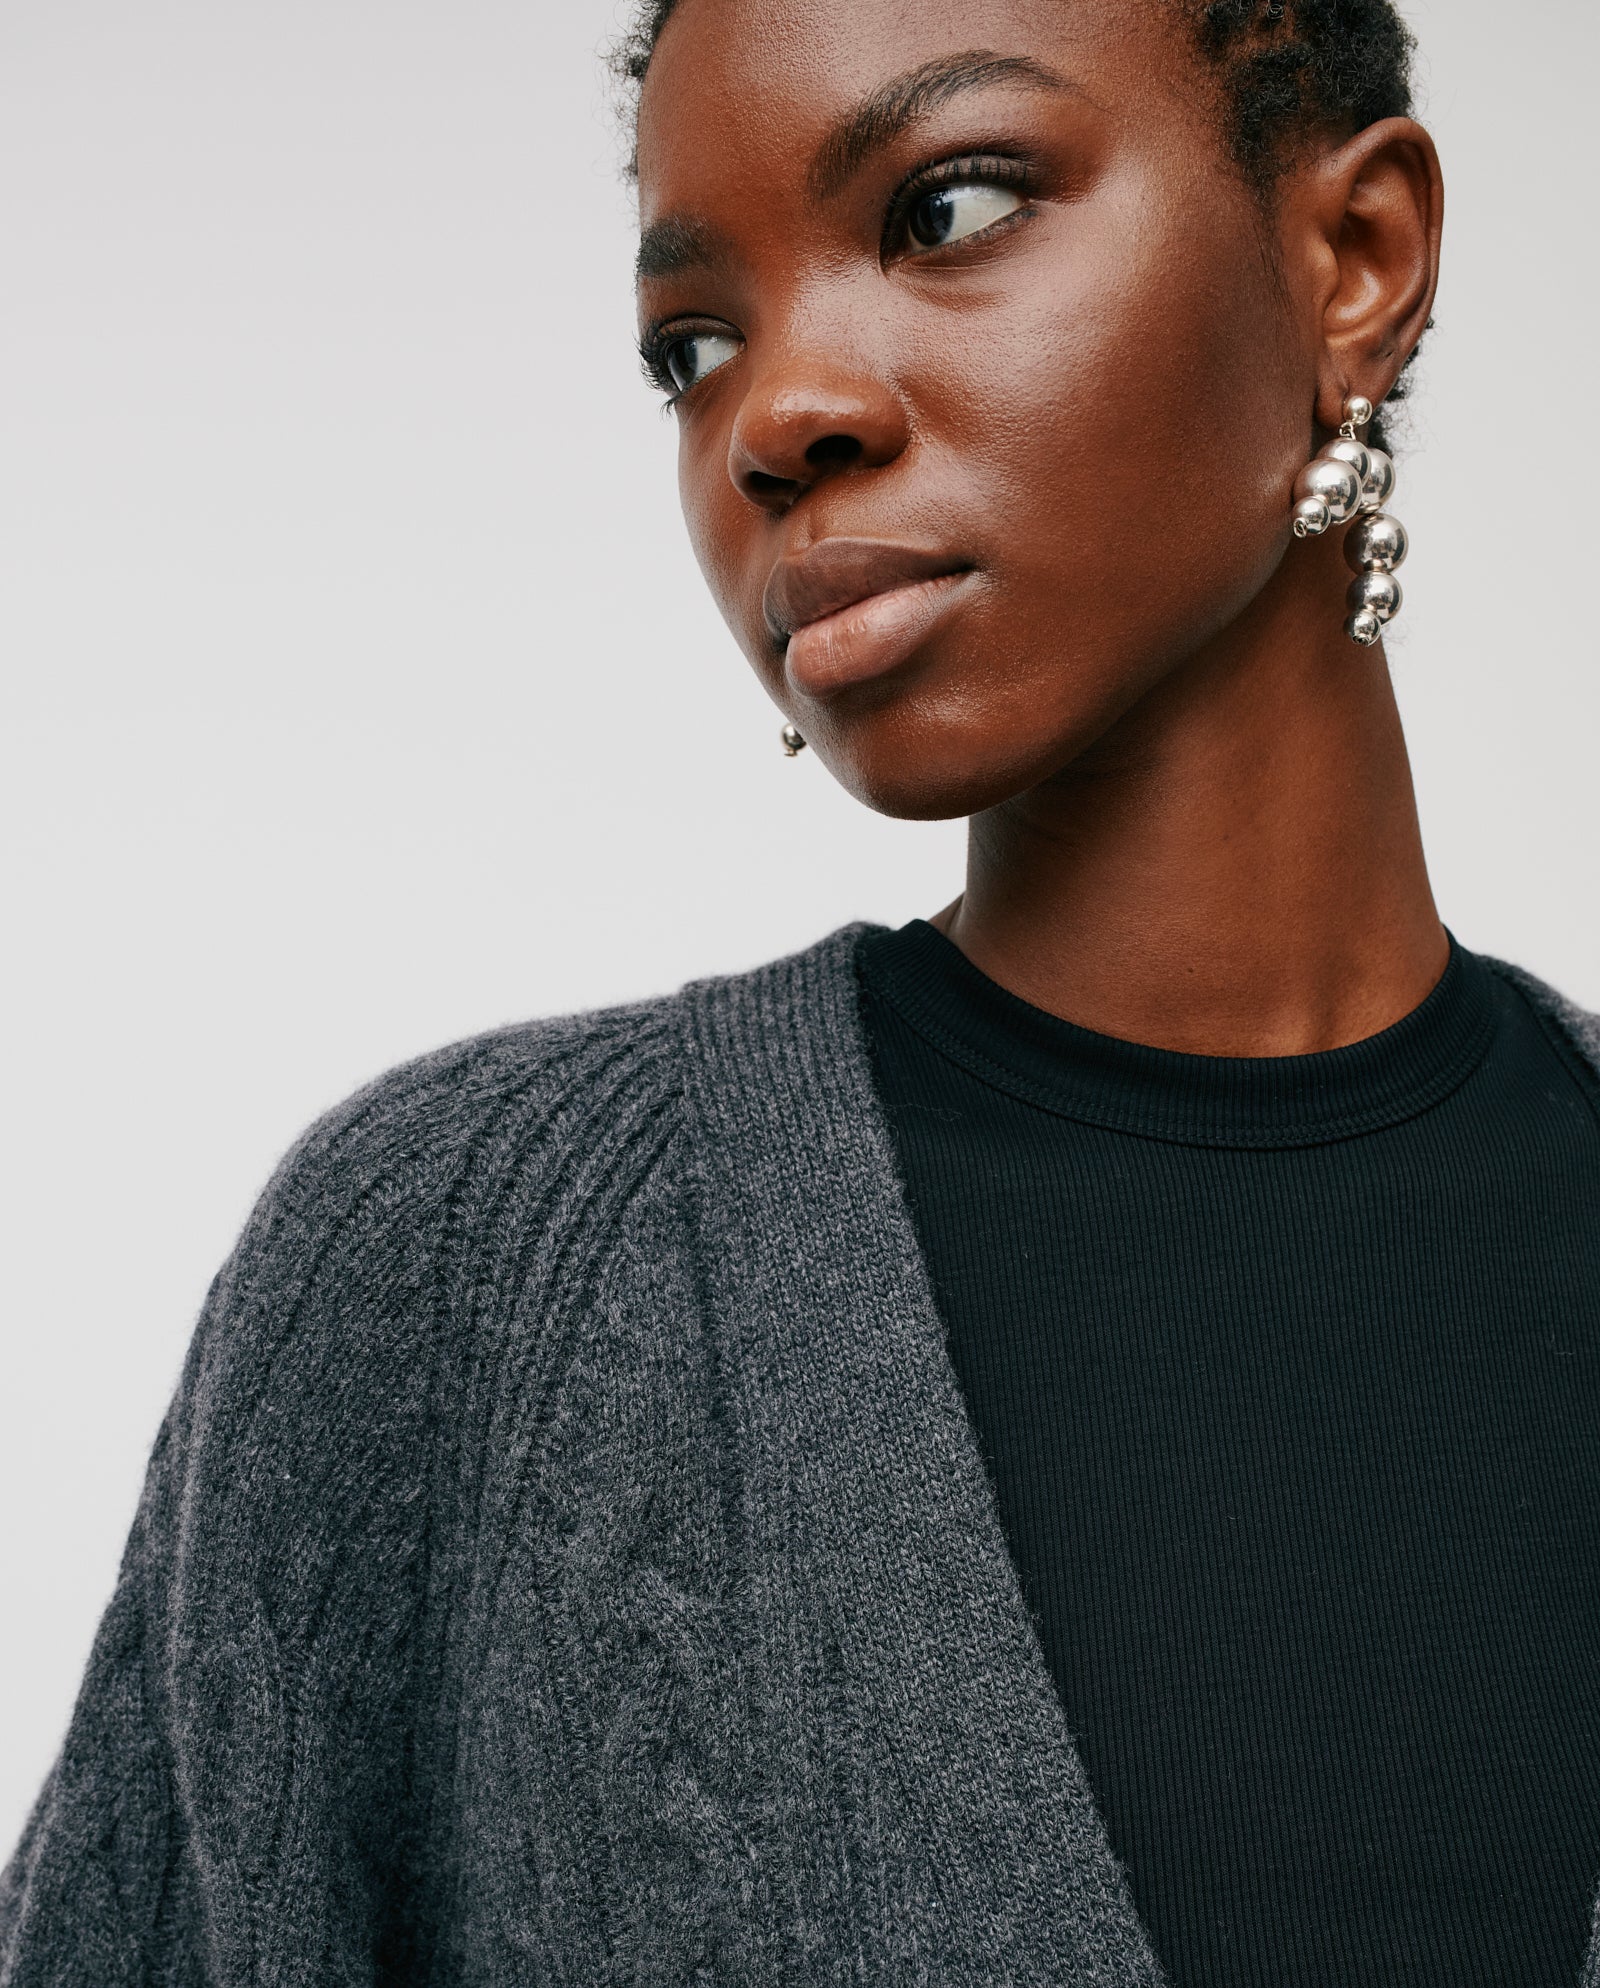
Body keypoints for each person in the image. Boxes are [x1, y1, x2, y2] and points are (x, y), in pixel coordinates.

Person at [4, 0, 1598, 1981]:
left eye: (946, 209)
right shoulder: (452, 1278)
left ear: (1349, 261)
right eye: (691, 344)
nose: (773, 416)